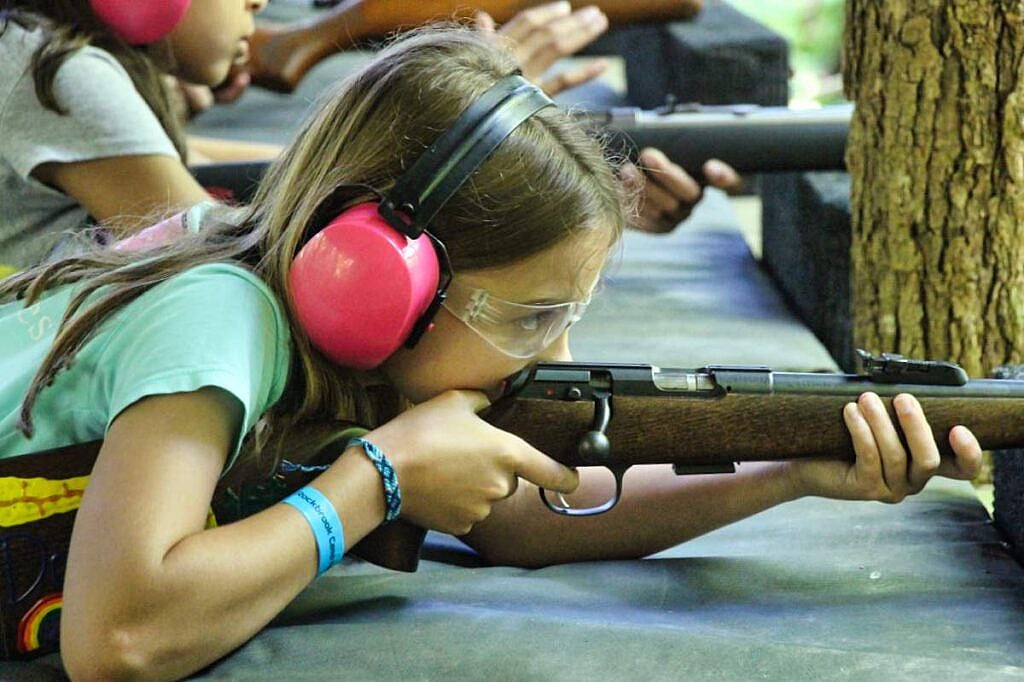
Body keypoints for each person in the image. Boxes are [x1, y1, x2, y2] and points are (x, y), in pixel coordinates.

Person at [0, 26, 981, 680]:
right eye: (527, 317)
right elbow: (119, 635)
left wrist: (792, 471)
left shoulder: (347, 355)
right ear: (382, 282)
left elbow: (520, 521)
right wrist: (376, 480)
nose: (553, 352)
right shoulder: (218, 317)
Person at [0, 0, 733, 271]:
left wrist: (554, 179)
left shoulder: (47, 52)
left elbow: (251, 173)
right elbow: (224, 250)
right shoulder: (56, 68)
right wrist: (463, 121)